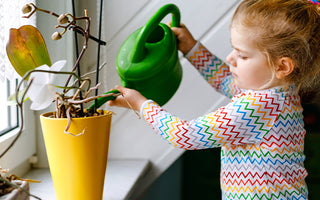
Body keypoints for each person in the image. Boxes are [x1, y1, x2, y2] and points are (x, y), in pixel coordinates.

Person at [109, 0, 320, 199]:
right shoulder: (279, 93)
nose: (230, 58)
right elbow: (226, 81)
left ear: (282, 67)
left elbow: (185, 135)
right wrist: (192, 48)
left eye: (242, 55)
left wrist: (142, 104)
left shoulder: (257, 106)